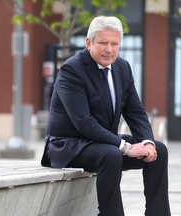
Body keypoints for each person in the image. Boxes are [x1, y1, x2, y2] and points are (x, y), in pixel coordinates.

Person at [41, 16, 171, 216]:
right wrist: (126, 148)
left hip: (102, 141)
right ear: (88, 43)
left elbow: (135, 112)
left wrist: (147, 142)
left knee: (159, 151)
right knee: (111, 156)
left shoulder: (122, 68)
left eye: (114, 44)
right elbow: (83, 122)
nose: (109, 49)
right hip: (69, 144)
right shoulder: (71, 70)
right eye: (103, 43)